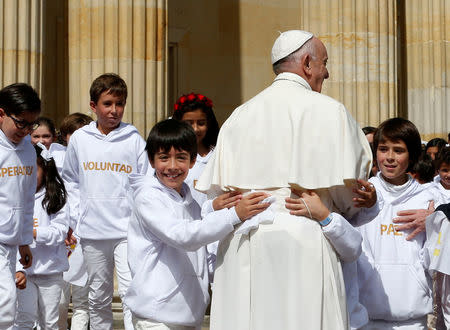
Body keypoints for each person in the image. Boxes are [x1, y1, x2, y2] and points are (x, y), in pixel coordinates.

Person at [195, 30, 373, 330]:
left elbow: (218, 195)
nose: (326, 72)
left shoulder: (239, 115)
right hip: (304, 232)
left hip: (244, 240)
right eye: (323, 63)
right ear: (306, 63)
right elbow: (350, 198)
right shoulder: (331, 112)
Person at [124, 119, 270, 329]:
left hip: (188, 313)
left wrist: (214, 209)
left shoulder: (186, 197)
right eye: (164, 158)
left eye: (181, 158)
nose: (172, 166)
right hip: (156, 318)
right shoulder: (148, 198)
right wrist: (234, 215)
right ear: (151, 160)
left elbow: (196, 231)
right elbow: (182, 235)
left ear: (193, 161)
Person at [62, 73, 149, 329]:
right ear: (93, 106)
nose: (114, 110)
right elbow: (71, 181)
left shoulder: (134, 139)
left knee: (132, 291)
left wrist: (140, 220)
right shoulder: (80, 139)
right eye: (108, 103)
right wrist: (76, 218)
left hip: (126, 231)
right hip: (92, 231)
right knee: (98, 296)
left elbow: (143, 183)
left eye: (119, 103)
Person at [356, 118, 442, 329]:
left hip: (412, 319)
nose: (390, 158)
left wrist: (435, 221)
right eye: (383, 149)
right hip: (365, 317)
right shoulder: (361, 193)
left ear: (411, 154)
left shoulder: (430, 197)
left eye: (398, 150)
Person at [14, 143, 69, 329]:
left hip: (50, 273)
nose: (28, 176)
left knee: (49, 322)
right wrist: (16, 268)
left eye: (32, 170)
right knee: (24, 318)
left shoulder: (56, 196)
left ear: (45, 170)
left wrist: (32, 232)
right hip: (24, 272)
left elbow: (60, 232)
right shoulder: (13, 197)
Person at [0, 83, 39, 329]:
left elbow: (27, 198)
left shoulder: (28, 150)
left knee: (8, 305)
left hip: (11, 241)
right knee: (5, 303)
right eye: (20, 123)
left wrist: (24, 239)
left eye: (31, 124)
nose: (25, 131)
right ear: (1, 114)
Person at [57, 113, 92, 330]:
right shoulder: (54, 164)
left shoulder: (94, 165)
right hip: (59, 239)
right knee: (58, 301)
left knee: (82, 303)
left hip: (87, 238)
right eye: (74, 134)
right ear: (66, 137)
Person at [172, 92, 220, 207]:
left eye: (201, 123)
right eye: (189, 123)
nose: (195, 129)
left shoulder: (217, 154)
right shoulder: (171, 157)